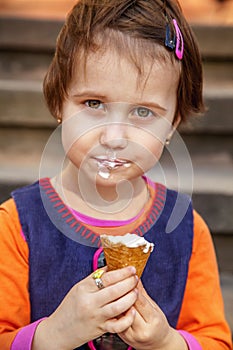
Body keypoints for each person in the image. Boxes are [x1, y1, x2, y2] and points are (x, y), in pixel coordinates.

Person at [0, 0, 232, 349]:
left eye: (143, 111)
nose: (114, 138)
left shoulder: (187, 231)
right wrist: (53, 335)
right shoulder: (16, 226)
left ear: (172, 125)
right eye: (93, 104)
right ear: (58, 101)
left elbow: (214, 340)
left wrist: (166, 342)